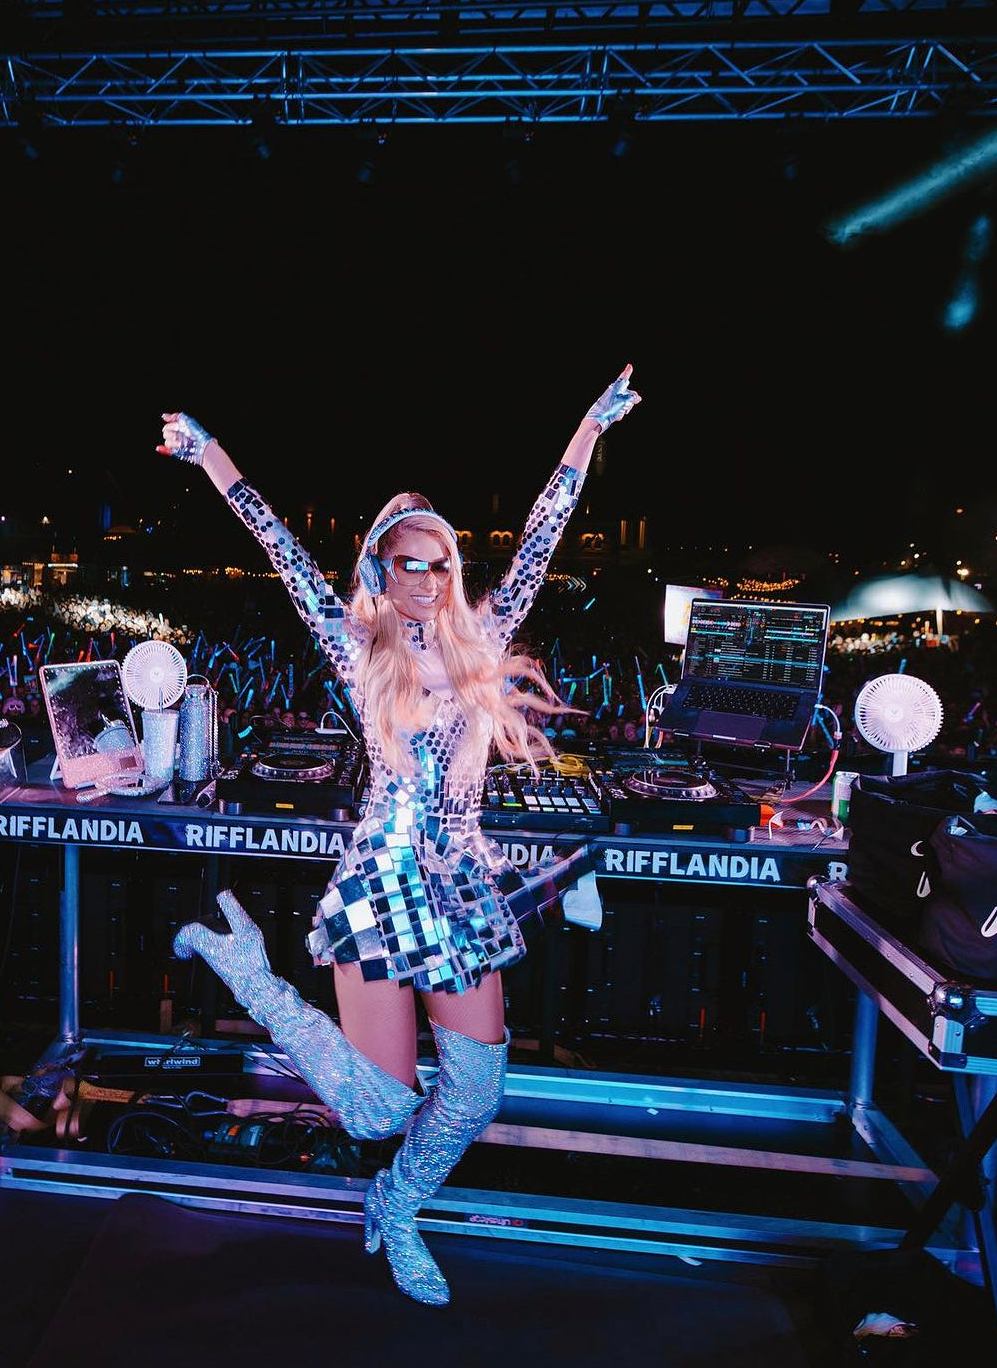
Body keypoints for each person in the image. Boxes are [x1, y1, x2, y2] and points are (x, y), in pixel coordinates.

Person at [164, 366, 642, 1305]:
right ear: (379, 569)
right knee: (377, 1107)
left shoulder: (482, 637)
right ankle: (253, 978)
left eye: (440, 563)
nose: (426, 578)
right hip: (381, 884)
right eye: (408, 562)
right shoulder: (357, 646)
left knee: (475, 1092)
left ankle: (399, 1203)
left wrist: (589, 430)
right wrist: (210, 453)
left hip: (459, 881)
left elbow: (543, 535)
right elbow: (277, 544)